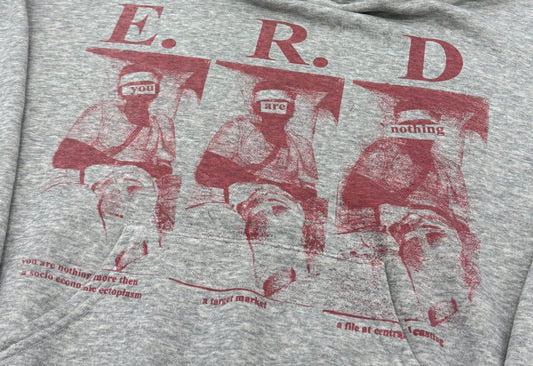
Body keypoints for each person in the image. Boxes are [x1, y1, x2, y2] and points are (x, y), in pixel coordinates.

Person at [339, 105, 480, 326]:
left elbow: (461, 216)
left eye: (425, 128)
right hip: (398, 216)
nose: (419, 135)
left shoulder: (449, 168)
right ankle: (437, 305)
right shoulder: (383, 152)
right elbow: (353, 192)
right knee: (418, 243)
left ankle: (455, 305)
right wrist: (397, 200)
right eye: (412, 127)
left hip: (439, 222)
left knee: (445, 244)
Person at [195, 82, 327, 297]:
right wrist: (262, 181)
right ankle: (275, 280)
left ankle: (290, 280)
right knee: (269, 217)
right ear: (257, 108)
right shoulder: (238, 129)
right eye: (268, 107)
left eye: (281, 108)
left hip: (287, 199)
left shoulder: (300, 144)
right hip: (245, 191)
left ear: (291, 111)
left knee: (292, 219)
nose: (274, 116)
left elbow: (309, 189)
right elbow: (206, 170)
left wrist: (290, 193)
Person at [52, 63, 181, 266]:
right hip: (101, 177)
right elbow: (64, 156)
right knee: (114, 199)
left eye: (147, 91)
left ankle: (136, 251)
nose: (140, 100)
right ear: (123, 91)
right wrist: (118, 164)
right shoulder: (102, 112)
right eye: (135, 90)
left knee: (147, 205)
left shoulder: (161, 123)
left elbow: (165, 165)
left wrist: (147, 171)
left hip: (142, 183)